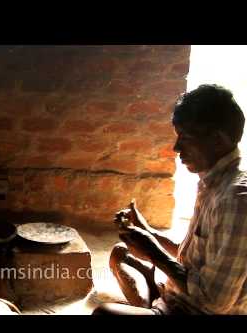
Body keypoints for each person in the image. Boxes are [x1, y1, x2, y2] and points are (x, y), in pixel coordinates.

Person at [93, 84, 247, 315]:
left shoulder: (234, 202)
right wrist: (148, 233)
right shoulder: (214, 182)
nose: (176, 147)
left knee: (104, 314)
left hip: (195, 310)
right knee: (120, 253)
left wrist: (154, 253)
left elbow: (214, 302)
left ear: (217, 140)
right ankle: (152, 305)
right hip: (176, 293)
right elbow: (191, 257)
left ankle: (152, 308)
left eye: (185, 138)